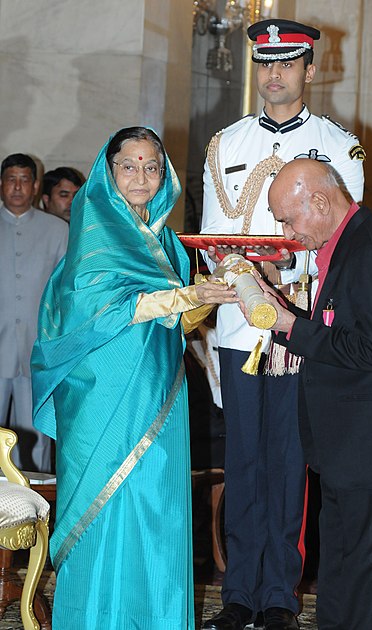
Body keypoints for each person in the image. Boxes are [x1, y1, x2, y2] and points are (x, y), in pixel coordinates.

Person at [30, 127, 238, 629]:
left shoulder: (164, 236)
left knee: (155, 504)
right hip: (104, 389)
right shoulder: (97, 225)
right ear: (109, 171)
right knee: (104, 510)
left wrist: (206, 296)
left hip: (158, 387)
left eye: (152, 166)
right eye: (129, 165)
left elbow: (174, 321)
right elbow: (102, 308)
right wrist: (192, 296)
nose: (141, 176)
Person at [201, 18, 365, 630]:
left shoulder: (340, 147)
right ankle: (239, 590)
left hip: (301, 331)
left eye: (287, 63)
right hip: (242, 329)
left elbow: (340, 244)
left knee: (288, 464)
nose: (274, 74)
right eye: (265, 63)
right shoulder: (225, 144)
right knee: (242, 462)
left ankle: (278, 596)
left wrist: (296, 309)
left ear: (310, 70)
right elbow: (217, 240)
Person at [239, 158, 372, 630]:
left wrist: (288, 325)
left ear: (320, 201)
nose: (286, 230)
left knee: (368, 581)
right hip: (349, 445)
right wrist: (278, 308)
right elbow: (335, 330)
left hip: (369, 444)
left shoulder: (368, 249)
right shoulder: (346, 244)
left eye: (288, 217)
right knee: (343, 572)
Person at [0, 153, 68, 472]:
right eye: (11, 179)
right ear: (1, 184)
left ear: (35, 185)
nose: (17, 187)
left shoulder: (57, 231)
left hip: (37, 349)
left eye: (24, 180)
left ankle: (35, 511)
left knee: (37, 434)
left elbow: (65, 293)